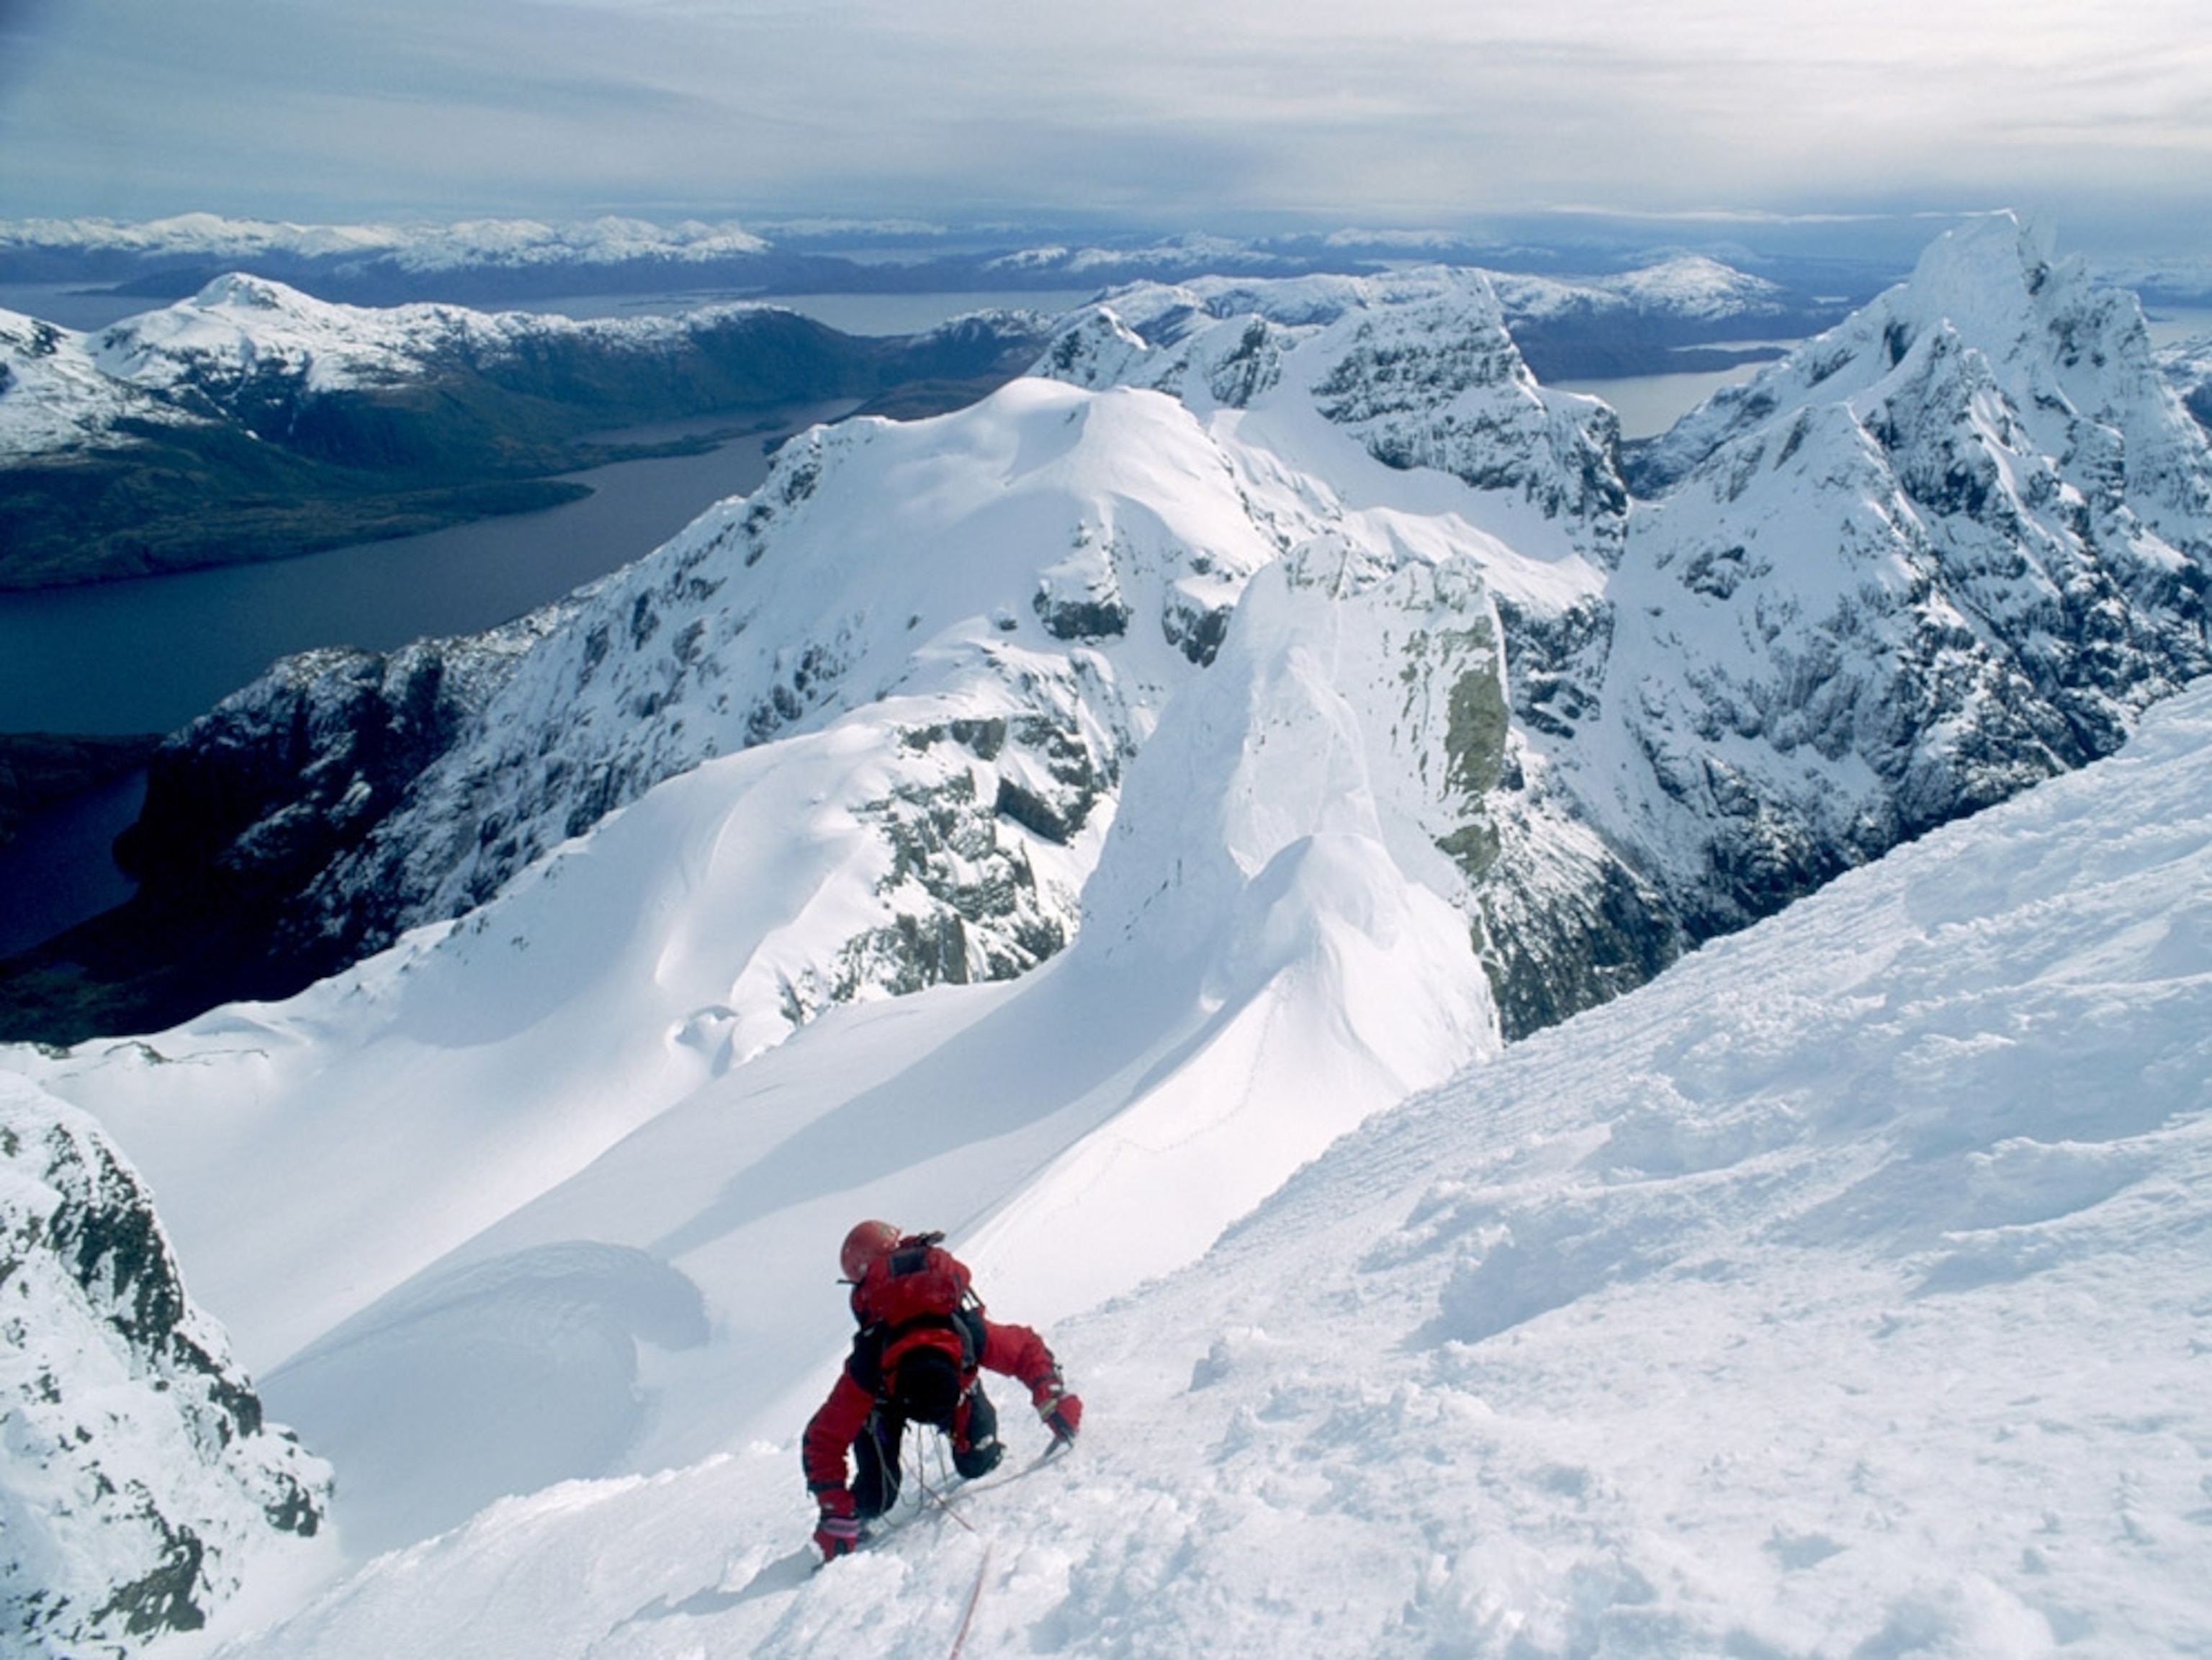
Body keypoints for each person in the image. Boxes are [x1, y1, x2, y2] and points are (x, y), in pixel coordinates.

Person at [801, 1219, 1083, 1561]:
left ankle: (854, 1521)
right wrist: (1051, 1395)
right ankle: (974, 1435)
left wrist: (834, 1508)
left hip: (886, 1398)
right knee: (979, 1463)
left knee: (875, 1498)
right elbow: (1024, 1349)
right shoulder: (960, 1324)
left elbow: (824, 1438)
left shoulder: (871, 1354)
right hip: (954, 1388)